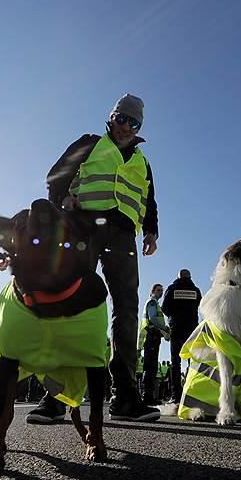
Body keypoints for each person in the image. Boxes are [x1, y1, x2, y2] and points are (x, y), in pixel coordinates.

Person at [38, 93, 161, 423]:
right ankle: (56, 397)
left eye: (133, 123)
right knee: (71, 304)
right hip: (84, 228)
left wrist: (151, 230)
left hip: (123, 236)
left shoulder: (142, 162)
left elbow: (149, 201)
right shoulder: (90, 143)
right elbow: (55, 176)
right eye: (121, 119)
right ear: (111, 117)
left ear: (139, 128)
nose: (125, 127)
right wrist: (62, 196)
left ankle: (125, 397)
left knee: (127, 311)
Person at [161, 269, 202, 403]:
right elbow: (200, 306)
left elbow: (165, 308)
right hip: (192, 329)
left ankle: (176, 396)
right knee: (193, 361)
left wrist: (174, 316)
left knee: (175, 362)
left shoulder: (172, 289)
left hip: (176, 328)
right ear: (190, 277)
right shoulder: (196, 290)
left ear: (178, 277)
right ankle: (193, 394)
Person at [139, 283, 170, 405]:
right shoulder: (152, 302)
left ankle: (149, 395)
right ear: (152, 291)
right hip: (152, 336)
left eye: (162, 291)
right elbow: (152, 318)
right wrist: (165, 328)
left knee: (151, 367)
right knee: (150, 367)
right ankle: (147, 396)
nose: (161, 293)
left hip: (154, 337)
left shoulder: (155, 303)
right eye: (158, 290)